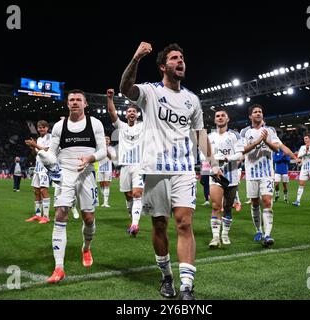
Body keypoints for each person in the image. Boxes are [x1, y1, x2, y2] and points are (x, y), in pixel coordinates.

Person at [120, 42, 219, 300]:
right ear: (164, 66)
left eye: (182, 57)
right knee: (160, 225)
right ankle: (166, 277)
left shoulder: (192, 100)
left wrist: (213, 162)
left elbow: (199, 134)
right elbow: (124, 89)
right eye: (175, 58)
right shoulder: (150, 92)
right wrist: (136, 58)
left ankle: (187, 286)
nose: (181, 61)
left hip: (184, 169)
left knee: (184, 223)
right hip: (154, 170)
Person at [39, 89, 107, 283]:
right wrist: (45, 158)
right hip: (66, 175)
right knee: (61, 213)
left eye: (79, 100)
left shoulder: (95, 123)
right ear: (67, 104)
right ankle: (58, 268)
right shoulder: (60, 126)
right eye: (71, 100)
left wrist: (90, 158)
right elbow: (52, 153)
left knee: (88, 218)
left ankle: (86, 248)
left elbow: (103, 150)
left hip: (86, 174)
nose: (75, 102)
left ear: (85, 104)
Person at [240, 105, 297, 247]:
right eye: (255, 112)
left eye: (260, 111)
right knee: (254, 203)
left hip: (267, 173)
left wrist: (266, 141)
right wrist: (258, 141)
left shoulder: (270, 131)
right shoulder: (245, 132)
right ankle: (258, 230)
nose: (258, 113)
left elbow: (277, 148)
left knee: (266, 201)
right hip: (251, 173)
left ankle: (267, 234)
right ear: (250, 116)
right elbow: (243, 150)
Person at [107, 88, 144, 236]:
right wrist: (110, 99)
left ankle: (135, 224)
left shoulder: (143, 126)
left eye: (134, 111)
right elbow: (112, 113)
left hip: (139, 165)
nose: (132, 113)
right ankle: (132, 219)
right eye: (129, 111)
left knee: (137, 194)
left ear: (137, 114)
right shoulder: (121, 126)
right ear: (126, 114)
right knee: (128, 196)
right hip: (124, 166)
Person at [207, 110, 243, 248]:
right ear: (215, 120)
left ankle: (225, 234)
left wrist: (227, 158)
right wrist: (214, 163)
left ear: (228, 119)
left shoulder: (235, 135)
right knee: (216, 206)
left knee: (228, 208)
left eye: (222, 115)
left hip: (231, 175)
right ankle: (215, 238)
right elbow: (204, 155)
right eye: (217, 116)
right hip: (215, 174)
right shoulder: (209, 137)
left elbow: (240, 154)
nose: (220, 117)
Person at [24, 120, 53, 224]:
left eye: (43, 127)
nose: (41, 129)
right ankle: (37, 215)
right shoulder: (39, 139)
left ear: (47, 128)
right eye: (39, 127)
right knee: (36, 191)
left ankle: (46, 216)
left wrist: (35, 145)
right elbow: (35, 154)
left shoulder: (50, 137)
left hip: (46, 168)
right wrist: (32, 147)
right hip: (38, 167)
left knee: (43, 191)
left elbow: (47, 151)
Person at [292, 134, 310, 207]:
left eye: (306, 138)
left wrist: (308, 150)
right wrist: (306, 152)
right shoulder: (302, 147)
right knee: (301, 184)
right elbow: (299, 155)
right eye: (304, 138)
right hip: (304, 168)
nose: (305, 140)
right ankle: (298, 201)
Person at [97, 136, 117, 207]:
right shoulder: (99, 149)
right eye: (105, 139)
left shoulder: (112, 149)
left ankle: (106, 202)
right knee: (101, 185)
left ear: (110, 141)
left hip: (108, 169)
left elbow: (113, 158)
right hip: (100, 168)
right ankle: (104, 201)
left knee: (106, 184)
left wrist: (107, 151)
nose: (106, 140)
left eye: (108, 139)